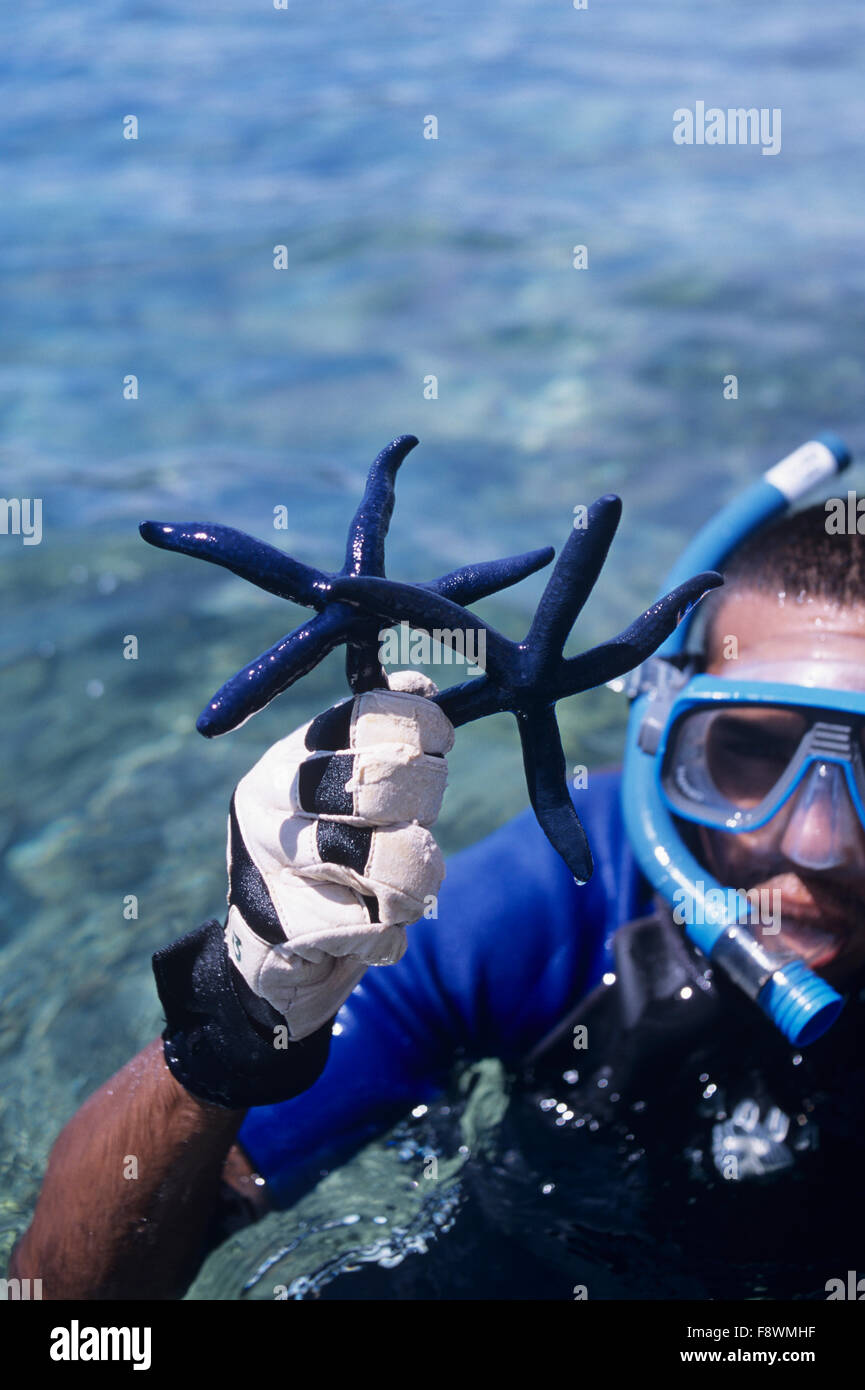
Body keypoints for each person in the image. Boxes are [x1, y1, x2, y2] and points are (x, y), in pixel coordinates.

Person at [11, 436, 865, 1300]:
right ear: (659, 738)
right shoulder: (547, 902)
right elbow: (66, 1327)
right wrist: (233, 1020)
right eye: (747, 751)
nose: (816, 840)